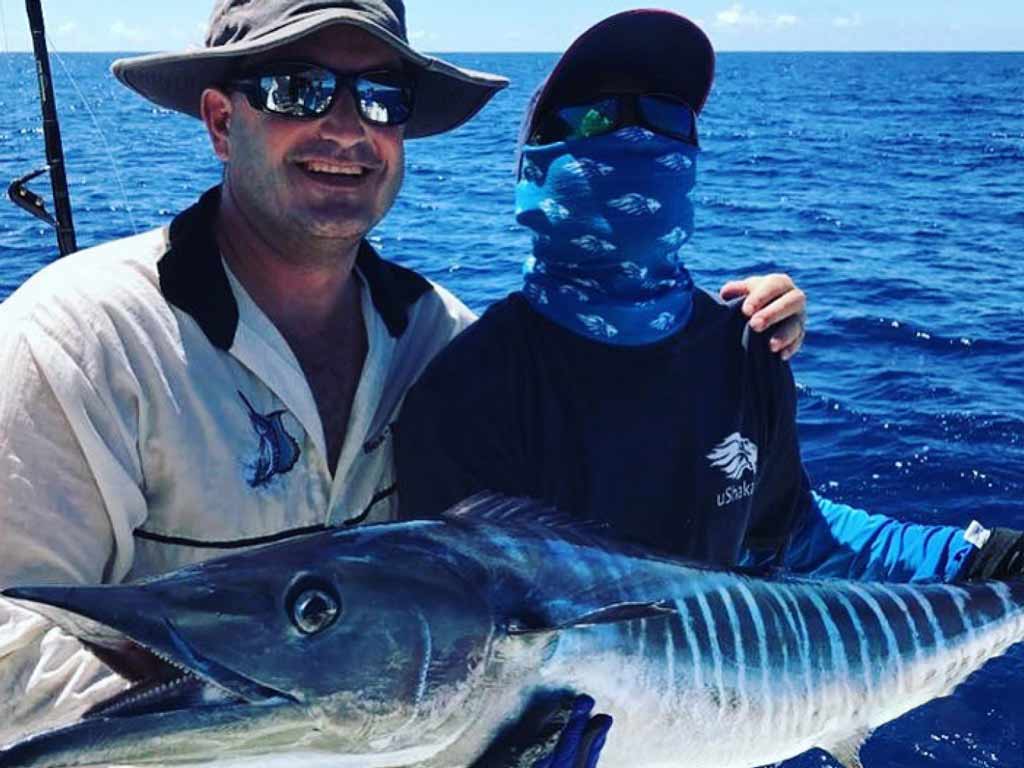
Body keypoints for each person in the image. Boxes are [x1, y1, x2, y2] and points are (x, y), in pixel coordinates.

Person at [0, 0, 811, 756]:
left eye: (382, 98)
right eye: (298, 89)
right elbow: (9, 656)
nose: (347, 128)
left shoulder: (442, 345)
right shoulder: (78, 338)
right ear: (221, 121)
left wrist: (727, 340)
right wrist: (276, 722)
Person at [395, 10, 1023, 585]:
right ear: (534, 171)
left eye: (666, 116)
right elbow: (463, 620)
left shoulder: (747, 347)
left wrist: (983, 557)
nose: (637, 136)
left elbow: (793, 533)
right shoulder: (467, 388)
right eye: (594, 117)